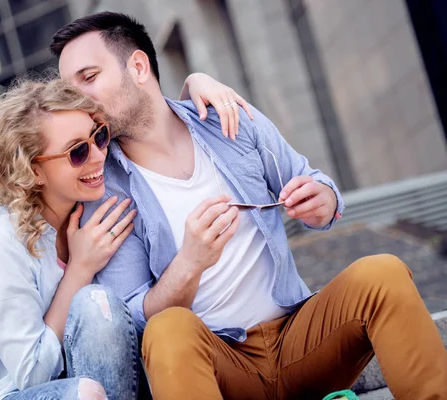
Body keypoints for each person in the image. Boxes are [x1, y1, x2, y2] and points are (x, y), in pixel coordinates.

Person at [50, 11, 447, 400]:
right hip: (219, 369)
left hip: (301, 342)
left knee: (383, 274)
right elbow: (134, 318)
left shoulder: (226, 117)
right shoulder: (104, 190)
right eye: (69, 87)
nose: (77, 98)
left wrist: (322, 201)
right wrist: (190, 262)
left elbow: (316, 182)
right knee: (168, 330)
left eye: (89, 77)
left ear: (138, 67)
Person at [0, 71, 251, 398]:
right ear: (33, 171)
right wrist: (80, 271)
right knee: (93, 306)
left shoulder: (91, 207)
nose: (99, 156)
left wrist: (196, 82)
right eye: (77, 153)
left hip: (105, 386)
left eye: (99, 137)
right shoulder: (0, 244)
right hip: (20, 393)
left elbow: (147, 116)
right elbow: (32, 374)